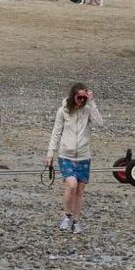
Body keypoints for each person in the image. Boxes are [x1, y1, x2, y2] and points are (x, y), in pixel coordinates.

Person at [45, 83, 105, 233]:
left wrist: (92, 102)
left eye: (84, 98)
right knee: (71, 185)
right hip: (66, 155)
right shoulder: (63, 111)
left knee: (79, 191)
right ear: (73, 96)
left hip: (84, 156)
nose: (81, 101)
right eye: (79, 98)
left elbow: (100, 123)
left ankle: (76, 221)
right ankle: (66, 216)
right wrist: (50, 153)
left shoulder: (87, 109)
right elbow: (56, 132)